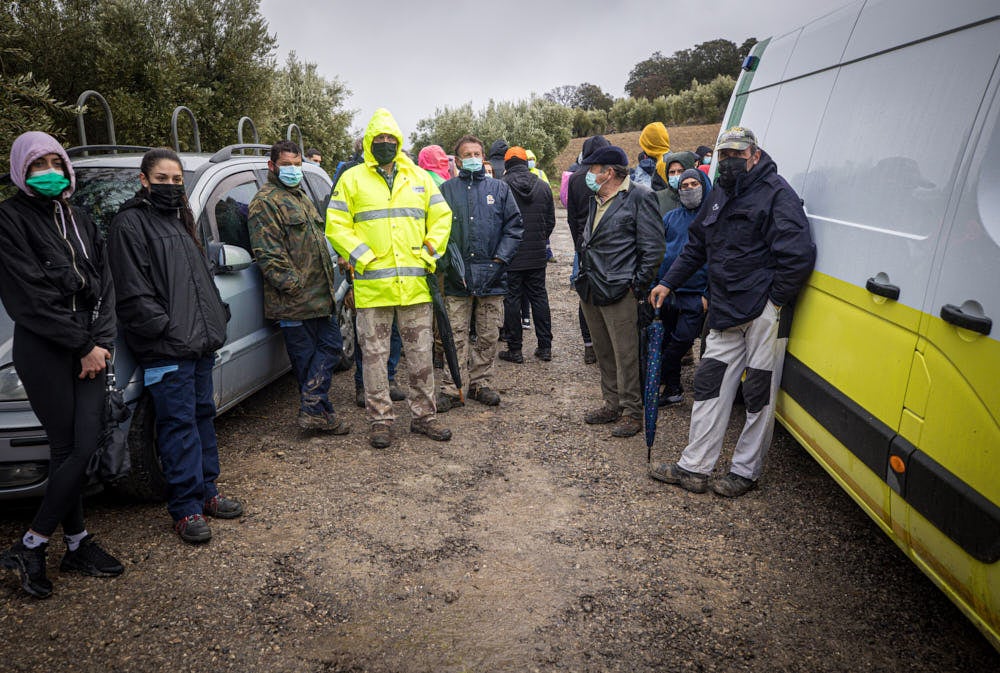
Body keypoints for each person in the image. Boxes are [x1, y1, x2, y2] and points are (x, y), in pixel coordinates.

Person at [648, 127, 816, 497]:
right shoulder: (720, 193)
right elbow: (697, 246)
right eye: (724, 155)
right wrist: (668, 282)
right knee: (709, 386)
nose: (729, 161)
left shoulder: (777, 194)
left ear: (754, 155)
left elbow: (799, 255)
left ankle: (744, 472)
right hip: (724, 309)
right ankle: (694, 467)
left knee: (757, 394)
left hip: (761, 313)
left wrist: (774, 302)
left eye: (736, 155)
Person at [0, 132, 124, 597]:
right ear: (21, 170)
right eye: (39, 165)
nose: (50, 172)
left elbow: (106, 283)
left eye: (56, 162)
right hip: (45, 346)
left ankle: (57, 544)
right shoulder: (9, 219)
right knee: (70, 445)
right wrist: (82, 345)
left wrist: (102, 341)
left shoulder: (80, 217)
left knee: (80, 444)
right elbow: (28, 297)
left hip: (91, 344)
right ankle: (52, 543)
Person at [109, 147, 243, 543]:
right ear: (144, 181)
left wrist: (216, 316)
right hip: (167, 349)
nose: (170, 186)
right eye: (162, 179)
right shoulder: (129, 224)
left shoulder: (180, 218)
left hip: (198, 344)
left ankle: (207, 492)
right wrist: (164, 332)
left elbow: (198, 280)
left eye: (176, 179)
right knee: (178, 426)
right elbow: (133, 292)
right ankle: (185, 509)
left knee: (203, 417)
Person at [326, 108, 453, 449]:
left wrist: (429, 251)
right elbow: (336, 224)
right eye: (379, 138)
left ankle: (424, 416)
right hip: (373, 287)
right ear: (369, 142)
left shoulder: (419, 177)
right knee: (374, 359)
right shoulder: (352, 179)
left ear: (398, 141)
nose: (385, 143)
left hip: (414, 286)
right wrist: (362, 256)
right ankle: (380, 420)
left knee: (421, 356)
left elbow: (442, 217)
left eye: (390, 138)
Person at [247, 140, 350, 434]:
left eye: (296, 165)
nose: (292, 170)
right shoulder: (265, 202)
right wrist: (295, 286)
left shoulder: (300, 196)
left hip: (320, 297)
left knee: (331, 347)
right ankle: (320, 414)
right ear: (272, 166)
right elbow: (268, 255)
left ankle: (313, 409)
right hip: (294, 301)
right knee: (306, 361)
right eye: (286, 165)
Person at [574, 145, 664, 438]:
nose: (588, 175)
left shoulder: (640, 197)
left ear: (608, 172)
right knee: (604, 351)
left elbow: (653, 248)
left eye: (592, 169)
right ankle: (611, 404)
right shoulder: (596, 198)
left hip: (620, 290)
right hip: (592, 287)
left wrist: (636, 286)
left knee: (626, 354)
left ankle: (632, 412)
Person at [437, 134, 523, 411]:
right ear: (458, 160)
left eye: (477, 154)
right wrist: (448, 265)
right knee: (455, 335)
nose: (473, 158)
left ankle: (480, 383)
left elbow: (514, 227)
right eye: (468, 154)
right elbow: (436, 231)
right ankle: (453, 387)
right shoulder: (446, 191)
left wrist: (498, 261)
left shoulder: (499, 189)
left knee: (488, 334)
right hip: (457, 279)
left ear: (483, 157)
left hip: (492, 276)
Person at [654, 168, 711, 406]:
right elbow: (659, 251)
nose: (688, 189)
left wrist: (707, 295)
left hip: (695, 296)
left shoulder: (712, 218)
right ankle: (673, 389)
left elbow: (718, 261)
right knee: (666, 340)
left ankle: (667, 377)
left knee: (680, 344)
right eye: (684, 186)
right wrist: (656, 284)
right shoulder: (671, 217)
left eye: (693, 184)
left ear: (704, 186)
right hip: (669, 293)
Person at [498, 147, 555, 364]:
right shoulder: (543, 186)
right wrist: (540, 239)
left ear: (507, 164)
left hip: (511, 254)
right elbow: (550, 221)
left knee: (512, 300)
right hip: (537, 255)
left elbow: (497, 221)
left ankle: (515, 350)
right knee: (539, 297)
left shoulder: (501, 186)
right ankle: (545, 347)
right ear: (525, 162)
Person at [565, 134, 611, 365]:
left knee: (586, 294)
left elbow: (572, 217)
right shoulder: (611, 174)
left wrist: (578, 245)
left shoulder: (575, 178)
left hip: (583, 245)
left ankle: (589, 345)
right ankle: (607, 344)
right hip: (609, 245)